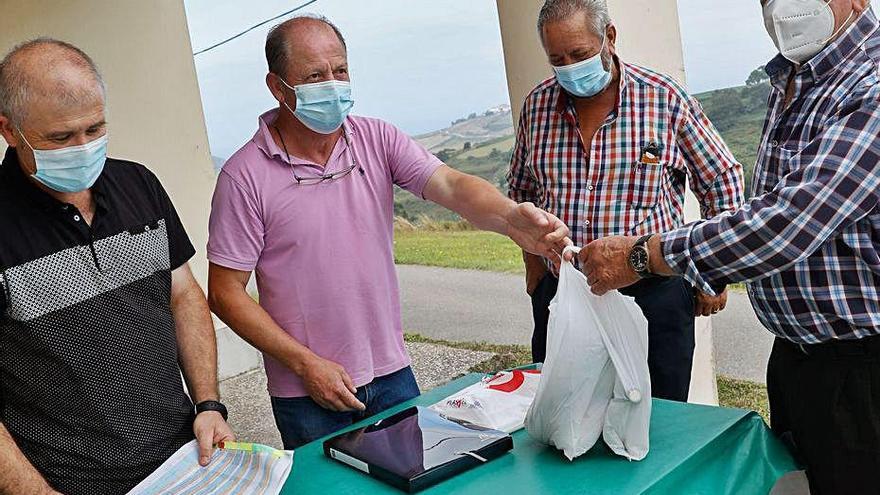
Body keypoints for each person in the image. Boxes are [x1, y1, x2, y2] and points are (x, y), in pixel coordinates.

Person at [206, 15, 570, 450]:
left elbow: (451, 184)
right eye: (314, 76)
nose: (332, 85)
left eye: (339, 71)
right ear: (278, 87)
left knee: (417, 475)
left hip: (393, 373)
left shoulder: (376, 139)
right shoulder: (243, 176)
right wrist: (305, 366)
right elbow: (226, 292)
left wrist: (511, 218)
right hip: (307, 392)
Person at [578, 1, 878, 492]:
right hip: (801, 361)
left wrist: (645, 255)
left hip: (861, 371)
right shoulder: (802, 78)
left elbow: (790, 220)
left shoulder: (870, 81)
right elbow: (767, 202)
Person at [0, 39, 234, 495]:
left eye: (94, 128)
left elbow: (183, 295)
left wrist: (209, 403)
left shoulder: (138, 184)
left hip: (183, 463)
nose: (83, 148)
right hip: (66, 483)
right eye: (61, 138)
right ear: (9, 130)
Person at [508, 0, 744, 401]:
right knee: (566, 422)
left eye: (580, 55)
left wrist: (712, 274)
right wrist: (533, 264)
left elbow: (721, 181)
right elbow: (522, 192)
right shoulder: (537, 107)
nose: (569, 68)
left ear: (609, 38)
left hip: (652, 296)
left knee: (657, 424)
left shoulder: (663, 99)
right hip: (565, 295)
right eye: (557, 59)